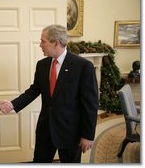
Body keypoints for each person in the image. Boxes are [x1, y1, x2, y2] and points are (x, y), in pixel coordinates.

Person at [8, 24, 98, 163]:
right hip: (45, 129)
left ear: (55, 42)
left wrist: (88, 135)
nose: (40, 45)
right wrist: (12, 105)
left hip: (71, 131)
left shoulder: (83, 66)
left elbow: (90, 104)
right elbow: (33, 91)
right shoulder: (42, 65)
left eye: (43, 41)